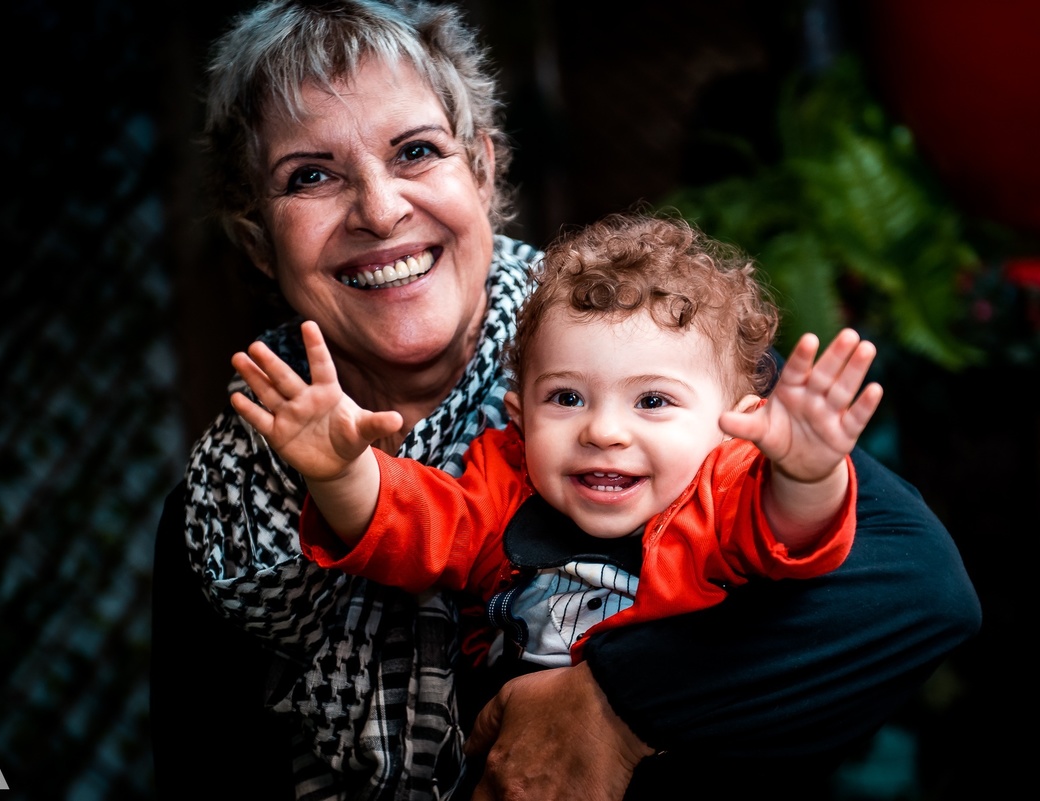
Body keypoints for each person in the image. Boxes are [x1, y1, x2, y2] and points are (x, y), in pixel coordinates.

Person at [149, 2, 982, 800]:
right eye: (312, 175)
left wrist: (610, 706)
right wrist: (339, 476)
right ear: (259, 236)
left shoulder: (647, 343)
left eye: (416, 152)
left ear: (482, 165)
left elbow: (915, 588)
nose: (379, 208)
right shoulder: (224, 503)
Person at [231, 212, 879, 676]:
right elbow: (412, 526)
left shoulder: (726, 491)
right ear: (519, 413)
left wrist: (807, 472)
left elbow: (792, 538)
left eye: (652, 401)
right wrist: (341, 472)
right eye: (566, 398)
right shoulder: (502, 488)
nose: (602, 430)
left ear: (738, 421)